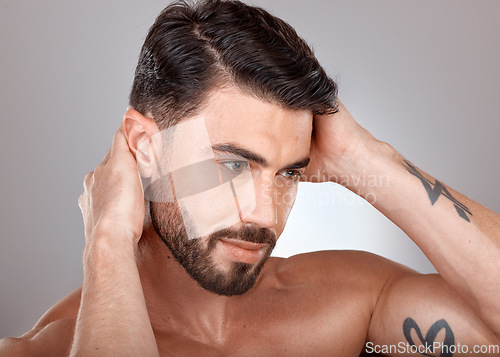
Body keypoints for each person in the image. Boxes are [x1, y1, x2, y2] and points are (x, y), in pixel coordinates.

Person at [1, 0, 499, 356]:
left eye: (289, 173)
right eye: (234, 165)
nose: (265, 215)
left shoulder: (348, 309)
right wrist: (107, 241)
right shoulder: (46, 349)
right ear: (145, 147)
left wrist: (366, 159)